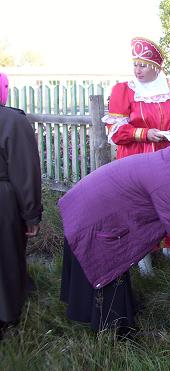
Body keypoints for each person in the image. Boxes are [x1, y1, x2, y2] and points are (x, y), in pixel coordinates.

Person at [59, 136, 170, 336]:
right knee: (107, 265)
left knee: (112, 266)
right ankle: (113, 332)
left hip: (88, 209)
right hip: (91, 219)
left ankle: (109, 320)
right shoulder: (169, 179)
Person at [102, 37, 170, 275]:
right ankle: (142, 254)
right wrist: (145, 133)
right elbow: (115, 132)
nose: (137, 70)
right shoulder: (123, 90)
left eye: (142, 65)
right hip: (136, 160)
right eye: (135, 64)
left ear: (156, 66)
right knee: (140, 208)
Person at [0, 72, 42, 337]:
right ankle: (6, 316)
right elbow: (25, 172)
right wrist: (31, 216)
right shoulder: (12, 121)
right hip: (3, 201)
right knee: (6, 258)